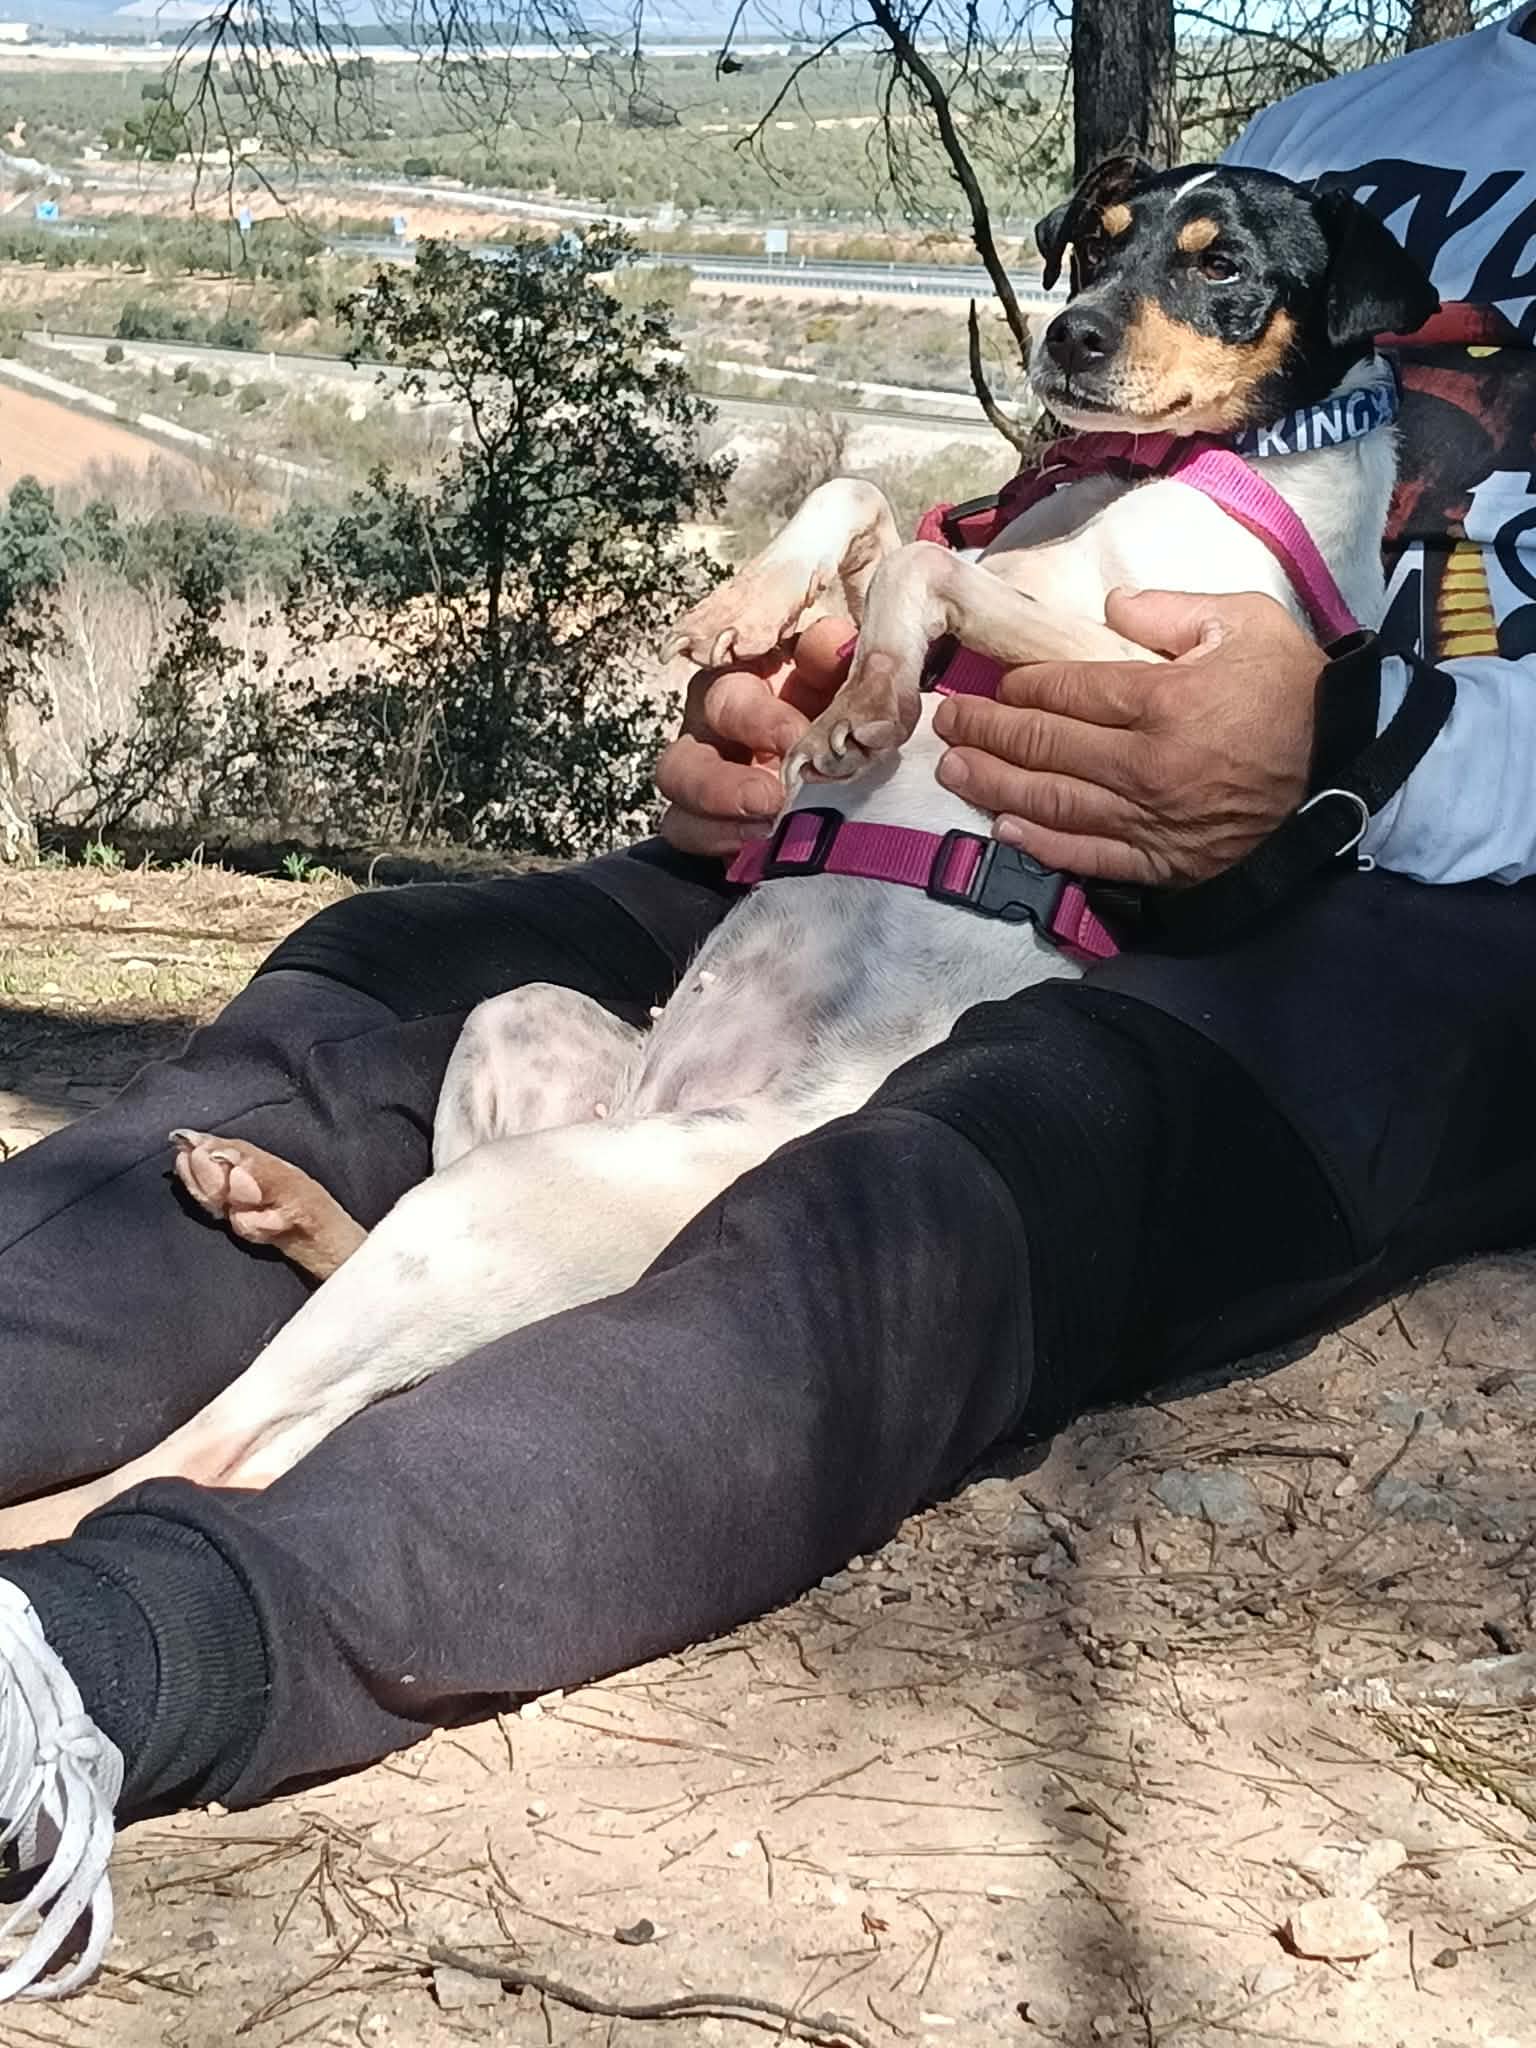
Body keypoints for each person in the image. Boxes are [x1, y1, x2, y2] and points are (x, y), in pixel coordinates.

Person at [3, 4, 1535, 1999]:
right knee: (401, 985)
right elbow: (1089, 528)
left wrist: (1352, 747)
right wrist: (815, 714)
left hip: (1431, 900)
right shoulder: (1352, 120)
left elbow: (1347, 639)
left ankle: (107, 1657)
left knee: (937, 1182)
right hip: (988, 819)